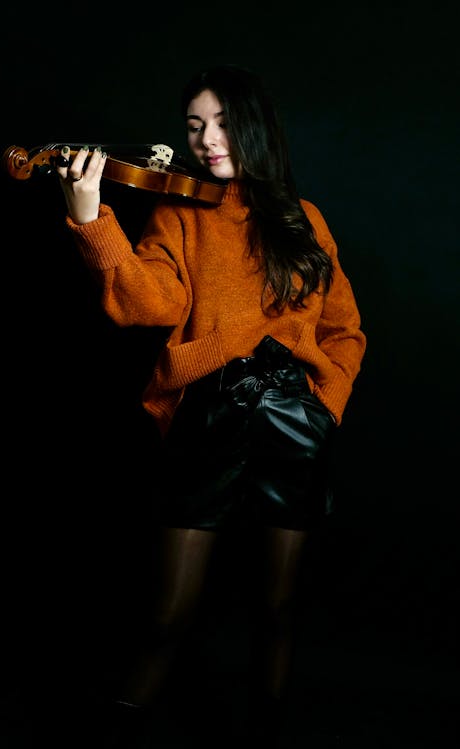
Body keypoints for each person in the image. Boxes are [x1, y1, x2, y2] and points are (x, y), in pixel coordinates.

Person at [55, 64, 366, 746]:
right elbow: (144, 303)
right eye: (195, 125)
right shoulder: (179, 210)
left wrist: (326, 406)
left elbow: (345, 326)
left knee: (279, 606)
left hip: (294, 422)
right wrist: (90, 218)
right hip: (211, 415)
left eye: (222, 122)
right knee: (168, 614)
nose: (206, 138)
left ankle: (268, 729)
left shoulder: (303, 219)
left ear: (254, 125)